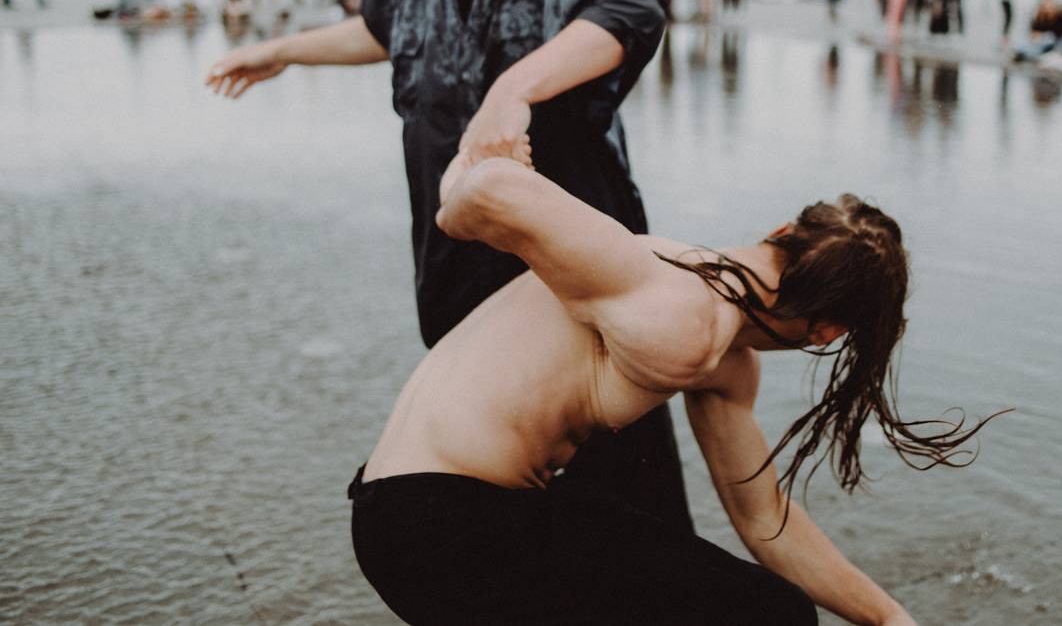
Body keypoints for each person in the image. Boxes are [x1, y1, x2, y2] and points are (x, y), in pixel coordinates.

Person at [206, 0, 687, 531]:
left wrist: (515, 88)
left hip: (574, 265)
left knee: (624, 508)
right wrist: (284, 50)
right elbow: (385, 30)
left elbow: (628, 4)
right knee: (503, 509)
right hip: (458, 265)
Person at [352, 155, 992, 625]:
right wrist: (456, 194)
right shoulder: (679, 307)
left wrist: (889, 618)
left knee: (755, 604)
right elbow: (494, 190)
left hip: (421, 513)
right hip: (441, 525)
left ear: (780, 234)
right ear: (828, 332)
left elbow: (764, 519)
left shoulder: (721, 352)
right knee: (769, 619)